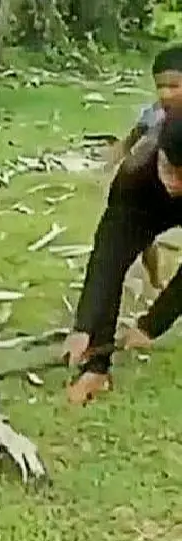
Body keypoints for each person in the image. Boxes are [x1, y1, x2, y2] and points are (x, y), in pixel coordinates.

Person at [62, 114, 182, 405]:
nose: (176, 184)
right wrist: (85, 326)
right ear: (159, 155)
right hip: (145, 207)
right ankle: (96, 370)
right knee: (112, 266)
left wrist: (153, 324)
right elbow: (107, 260)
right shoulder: (134, 174)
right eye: (171, 170)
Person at [105, 44, 182, 291]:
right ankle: (156, 277)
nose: (165, 94)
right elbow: (136, 136)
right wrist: (121, 153)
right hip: (153, 182)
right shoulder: (155, 114)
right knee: (143, 236)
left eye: (173, 86)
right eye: (161, 87)